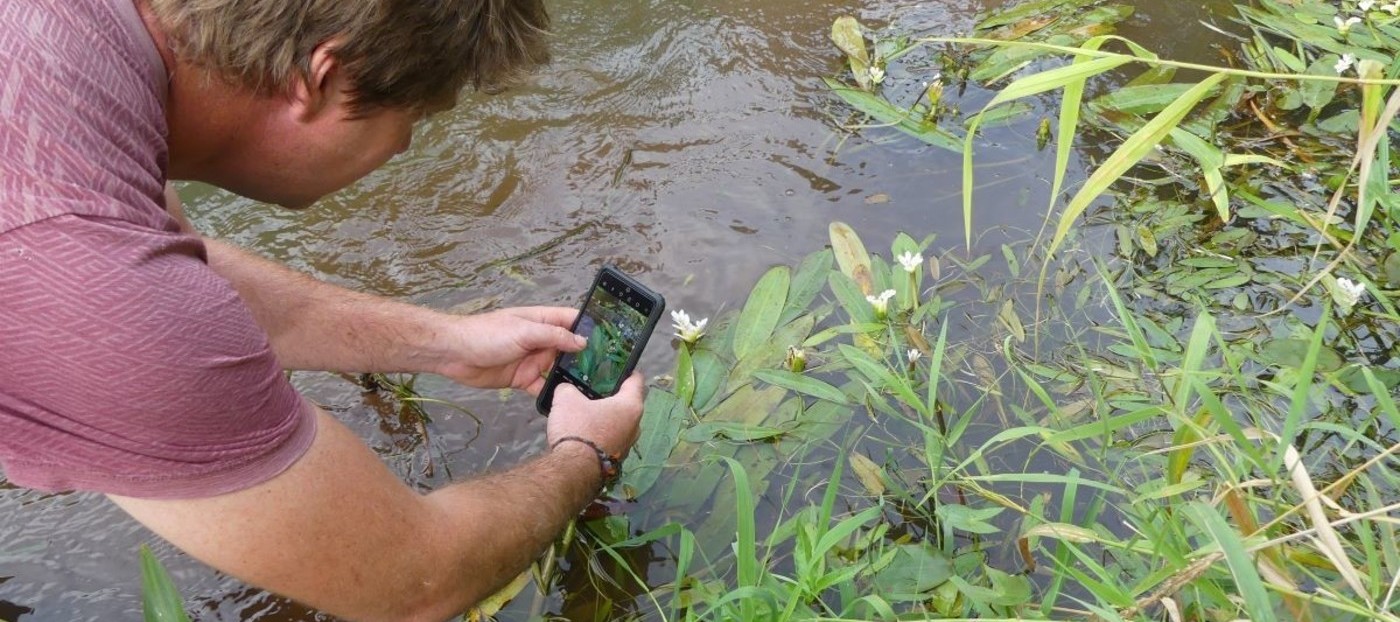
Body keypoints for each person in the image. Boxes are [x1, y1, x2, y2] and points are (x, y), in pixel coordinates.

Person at [0, 1, 646, 620]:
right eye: (415, 117)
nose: (402, 147)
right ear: (323, 77)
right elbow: (414, 578)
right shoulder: (89, 268)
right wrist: (586, 453)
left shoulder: (79, 41)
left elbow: (173, 264)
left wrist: (444, 343)